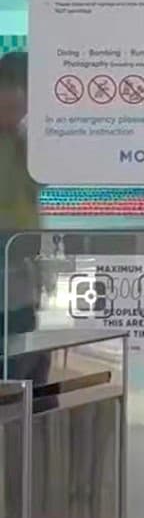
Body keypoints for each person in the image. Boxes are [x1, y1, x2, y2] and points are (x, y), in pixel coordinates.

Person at [0, 53, 45, 379]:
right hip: (9, 253)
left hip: (20, 260)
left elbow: (37, 182)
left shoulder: (20, 139)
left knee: (24, 348)